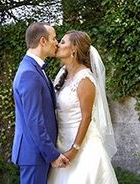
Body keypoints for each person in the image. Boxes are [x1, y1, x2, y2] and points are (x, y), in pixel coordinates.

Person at [48, 30, 118, 184]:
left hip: (82, 147)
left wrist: (74, 149)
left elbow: (86, 117)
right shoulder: (62, 74)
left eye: (63, 42)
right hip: (61, 143)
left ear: (74, 49)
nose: (58, 44)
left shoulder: (85, 79)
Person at [12, 22, 69, 184]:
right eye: (54, 38)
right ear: (43, 41)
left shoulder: (35, 69)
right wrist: (52, 154)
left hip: (39, 152)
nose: (57, 43)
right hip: (34, 153)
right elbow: (34, 120)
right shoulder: (29, 73)